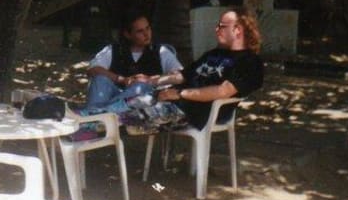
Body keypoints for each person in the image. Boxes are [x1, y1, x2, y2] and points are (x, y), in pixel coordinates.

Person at [132, 7, 264, 131]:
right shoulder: (213, 54)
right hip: (172, 101)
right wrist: (150, 80)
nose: (216, 29)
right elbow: (183, 75)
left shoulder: (249, 62)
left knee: (126, 121)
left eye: (222, 26)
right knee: (125, 102)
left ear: (237, 30)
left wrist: (180, 93)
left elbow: (223, 91)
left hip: (195, 114)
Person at [84, 10, 183, 111]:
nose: (146, 34)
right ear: (128, 34)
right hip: (115, 94)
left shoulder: (161, 51)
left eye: (148, 28)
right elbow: (93, 69)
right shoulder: (114, 50)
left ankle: (97, 113)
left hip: (145, 104)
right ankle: (100, 112)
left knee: (140, 85)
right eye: (140, 31)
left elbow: (180, 75)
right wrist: (122, 80)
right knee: (100, 79)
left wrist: (150, 80)